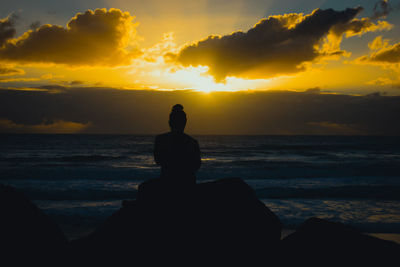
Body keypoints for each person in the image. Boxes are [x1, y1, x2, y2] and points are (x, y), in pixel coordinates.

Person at [154, 104, 201, 185]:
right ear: (185, 123)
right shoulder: (192, 142)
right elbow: (197, 165)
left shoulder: (160, 139)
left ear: (170, 122)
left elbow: (158, 160)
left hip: (167, 180)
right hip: (187, 182)